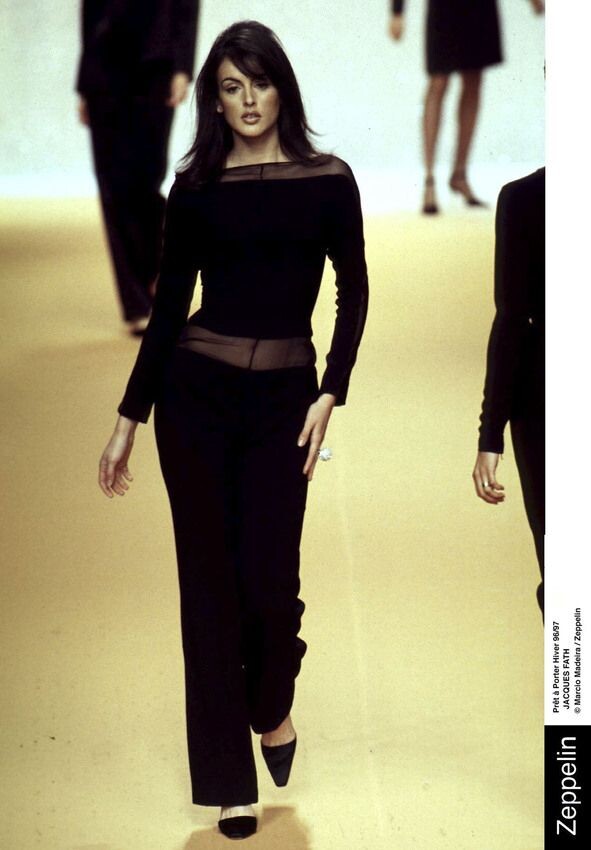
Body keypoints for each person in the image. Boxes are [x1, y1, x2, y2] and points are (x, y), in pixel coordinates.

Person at [98, 20, 368, 839]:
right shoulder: (197, 188)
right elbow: (169, 309)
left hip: (285, 404)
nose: (247, 100)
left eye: (259, 82)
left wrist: (332, 390)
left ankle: (272, 708)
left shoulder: (328, 179)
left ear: (282, 86)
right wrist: (129, 417)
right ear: (214, 101)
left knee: (271, 586)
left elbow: (353, 289)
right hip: (196, 401)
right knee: (208, 591)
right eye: (229, 87)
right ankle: (228, 785)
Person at [76, 1, 200, 334]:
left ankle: (159, 273)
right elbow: (90, 10)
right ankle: (136, 303)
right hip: (103, 72)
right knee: (112, 186)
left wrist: (182, 66)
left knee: (147, 180)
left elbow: (186, 7)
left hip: (156, 65)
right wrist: (85, 84)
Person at [389, 0, 544, 214]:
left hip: (479, 8)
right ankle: (429, 179)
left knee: (473, 79)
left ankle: (459, 174)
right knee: (439, 80)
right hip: (443, 7)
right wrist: (397, 11)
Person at [472, 168, 544, 615]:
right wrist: (490, 433)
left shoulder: (524, 197)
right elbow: (512, 319)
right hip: (543, 403)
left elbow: (512, 319)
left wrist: (490, 435)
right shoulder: (525, 198)